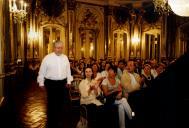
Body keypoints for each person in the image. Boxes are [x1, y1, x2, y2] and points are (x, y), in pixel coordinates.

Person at [37, 40, 73, 128]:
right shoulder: (47, 58)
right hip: (51, 83)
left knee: (62, 103)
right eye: (57, 48)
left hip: (63, 83)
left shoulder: (65, 57)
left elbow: (68, 71)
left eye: (61, 48)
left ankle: (60, 121)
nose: (59, 50)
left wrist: (68, 81)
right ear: (54, 48)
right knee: (52, 104)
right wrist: (41, 83)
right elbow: (41, 72)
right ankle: (51, 122)